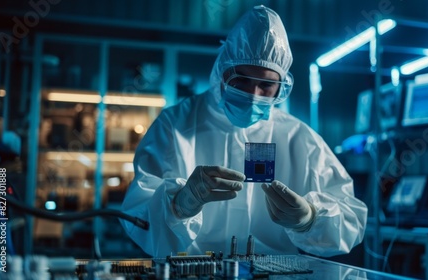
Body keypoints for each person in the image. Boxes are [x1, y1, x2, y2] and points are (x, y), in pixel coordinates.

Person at [120, 5, 367, 258]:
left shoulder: (298, 138)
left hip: (273, 274)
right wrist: (179, 206)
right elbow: (136, 217)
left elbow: (352, 221)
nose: (253, 95)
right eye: (242, 80)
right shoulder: (174, 126)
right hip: (192, 271)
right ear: (222, 71)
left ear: (281, 86)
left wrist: (310, 219)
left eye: (267, 84)